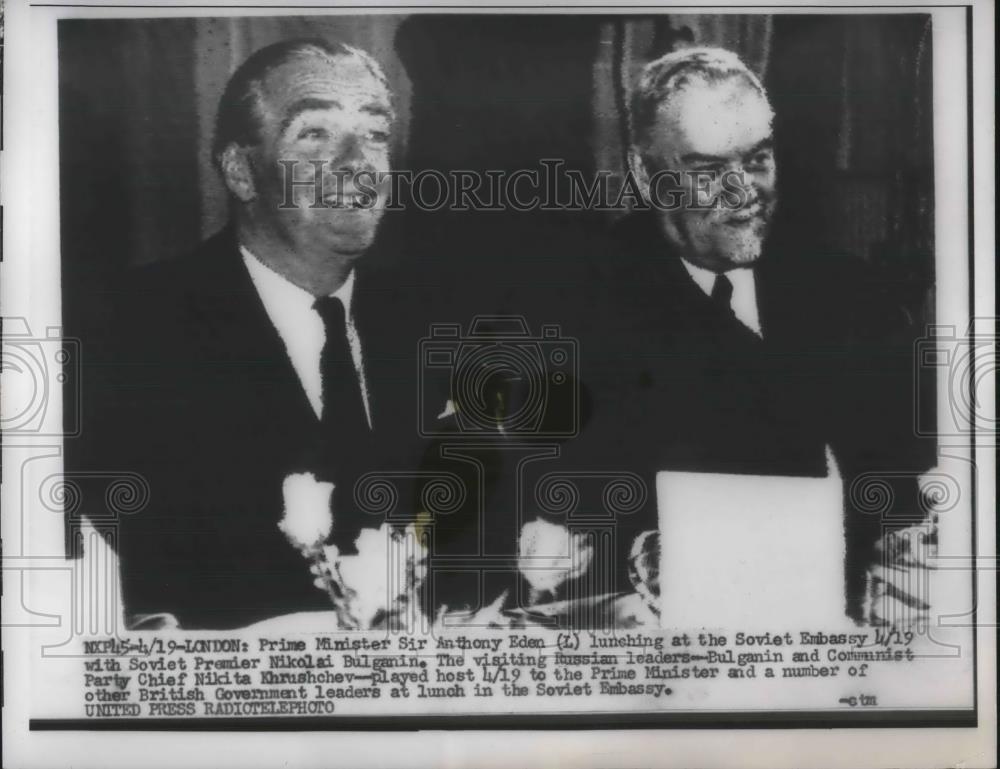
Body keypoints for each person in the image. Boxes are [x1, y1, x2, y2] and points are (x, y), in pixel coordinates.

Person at [73, 38, 442, 629]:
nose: (357, 162)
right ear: (242, 171)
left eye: (374, 134)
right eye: (315, 134)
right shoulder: (122, 336)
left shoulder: (433, 324)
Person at [573, 47, 936, 622]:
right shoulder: (579, 307)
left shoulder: (853, 293)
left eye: (758, 160)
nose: (744, 193)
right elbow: (571, 527)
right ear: (646, 176)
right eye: (709, 170)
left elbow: (910, 476)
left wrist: (906, 550)